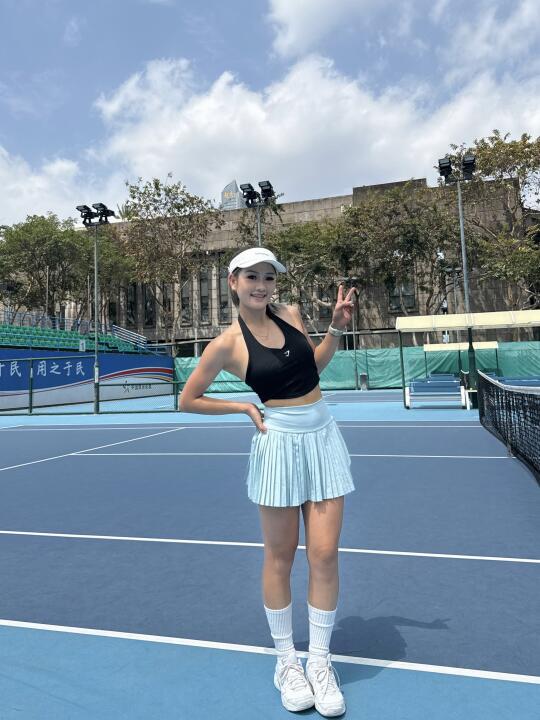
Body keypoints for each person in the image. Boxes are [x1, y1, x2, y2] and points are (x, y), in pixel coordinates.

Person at [180, 247, 356, 717]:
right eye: (252, 277)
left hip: (323, 438)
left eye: (269, 277)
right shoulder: (225, 345)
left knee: (324, 554)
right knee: (280, 556)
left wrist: (336, 327)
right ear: (233, 282)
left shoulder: (291, 314)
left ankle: (320, 662)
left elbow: (313, 368)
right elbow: (189, 399)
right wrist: (241, 406)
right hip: (278, 445)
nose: (262, 285)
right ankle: (287, 663)